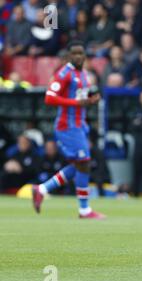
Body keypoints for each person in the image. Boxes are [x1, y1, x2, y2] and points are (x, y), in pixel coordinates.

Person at [31, 40, 105, 220]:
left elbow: (79, 97)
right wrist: (75, 103)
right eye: (75, 53)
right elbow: (49, 98)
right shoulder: (63, 74)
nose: (78, 56)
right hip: (67, 125)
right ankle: (84, 209)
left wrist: (90, 99)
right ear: (69, 56)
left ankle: (42, 189)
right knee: (84, 162)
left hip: (80, 125)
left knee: (79, 164)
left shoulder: (83, 74)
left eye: (81, 53)